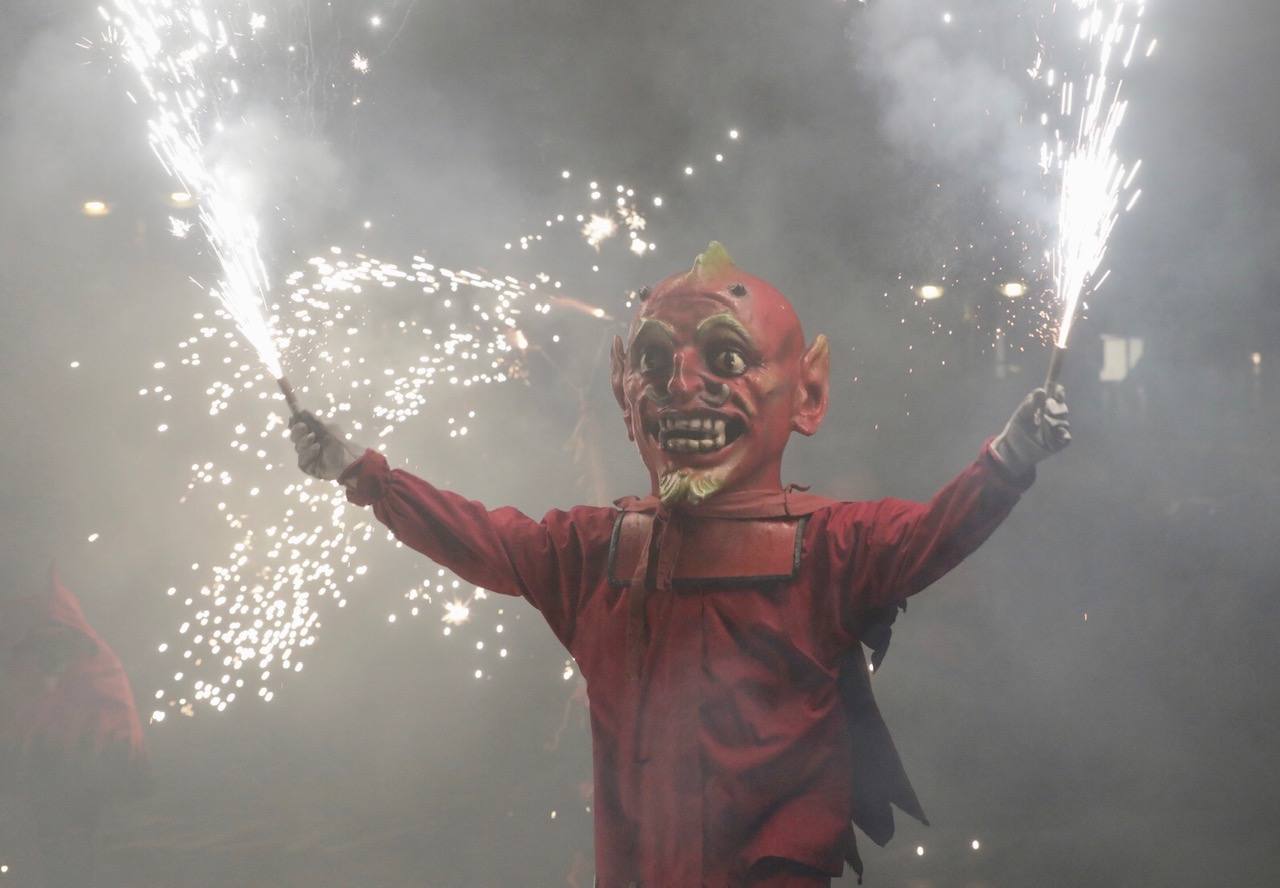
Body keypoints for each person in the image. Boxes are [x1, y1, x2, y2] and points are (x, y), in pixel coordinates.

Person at [291, 243, 1070, 887]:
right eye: (656, 361)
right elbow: (487, 541)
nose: (682, 385)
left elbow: (934, 533)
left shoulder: (830, 543)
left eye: (726, 356)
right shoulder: (596, 551)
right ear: (623, 388)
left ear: (809, 392)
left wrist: (1009, 459)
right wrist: (365, 474)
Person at [0, 571, 148, 888]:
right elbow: (23, 715)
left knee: (80, 844)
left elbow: (109, 713)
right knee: (52, 845)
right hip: (48, 770)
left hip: (91, 768)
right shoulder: (28, 662)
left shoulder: (95, 662)